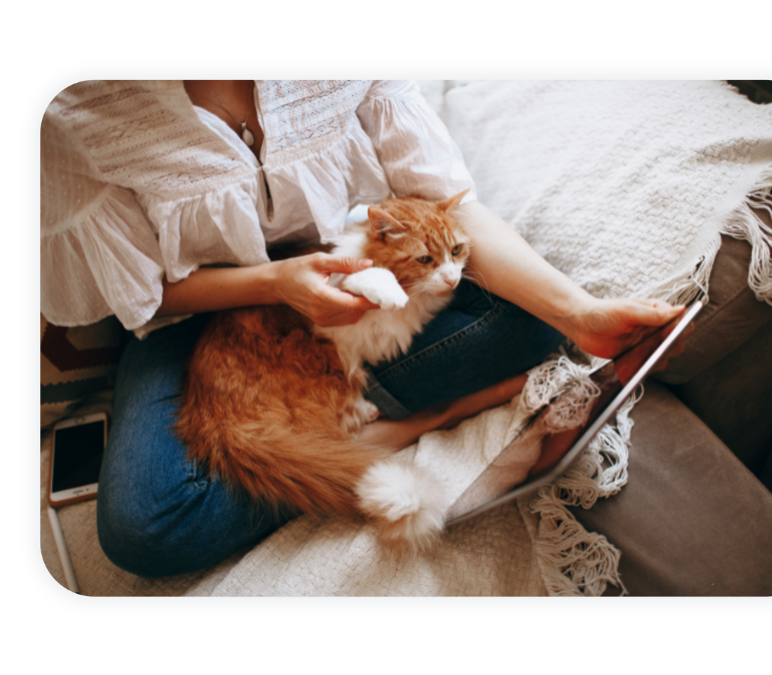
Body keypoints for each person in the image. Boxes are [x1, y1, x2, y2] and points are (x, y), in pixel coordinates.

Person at [41, 80, 681, 577]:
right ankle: (402, 428)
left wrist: (579, 313)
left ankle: (337, 434)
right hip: (201, 315)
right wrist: (275, 282)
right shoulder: (71, 107)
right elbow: (144, 294)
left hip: (370, 283)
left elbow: (447, 205)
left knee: (537, 326)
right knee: (144, 528)